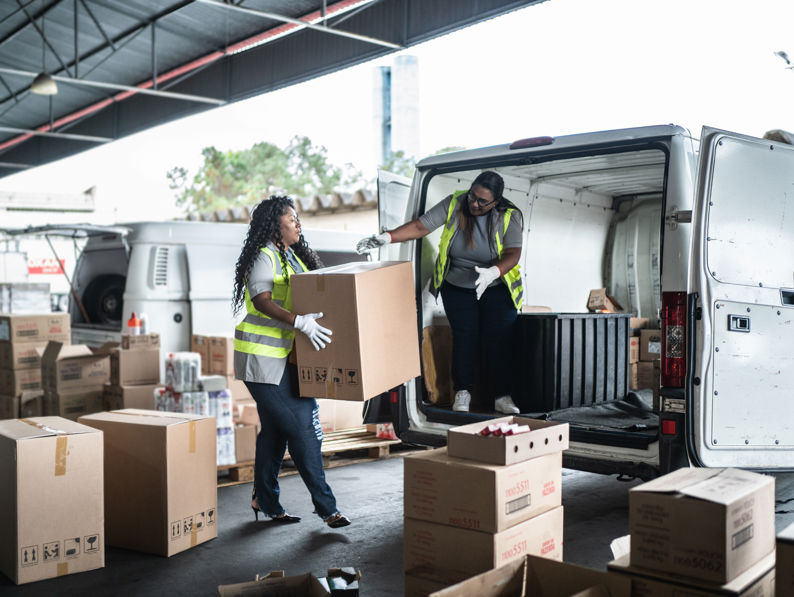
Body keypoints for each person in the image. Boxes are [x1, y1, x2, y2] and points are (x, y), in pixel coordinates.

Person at [356, 171, 523, 415]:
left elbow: (513, 253)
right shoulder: (456, 203)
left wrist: (493, 273)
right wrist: (387, 237)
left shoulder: (509, 216)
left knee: (498, 340)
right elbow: (420, 226)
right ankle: (463, 392)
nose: (474, 204)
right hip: (457, 286)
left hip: (495, 286)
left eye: (482, 201)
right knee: (465, 338)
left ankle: (501, 396)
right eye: (472, 196)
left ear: (495, 202)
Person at [232, 195, 351, 528]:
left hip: (286, 360)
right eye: (292, 219)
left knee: (275, 431)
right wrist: (299, 321)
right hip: (261, 361)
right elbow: (261, 300)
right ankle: (327, 508)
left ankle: (265, 499)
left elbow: (314, 287)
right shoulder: (263, 256)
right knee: (304, 427)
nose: (298, 224)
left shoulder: (292, 258)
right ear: (276, 224)